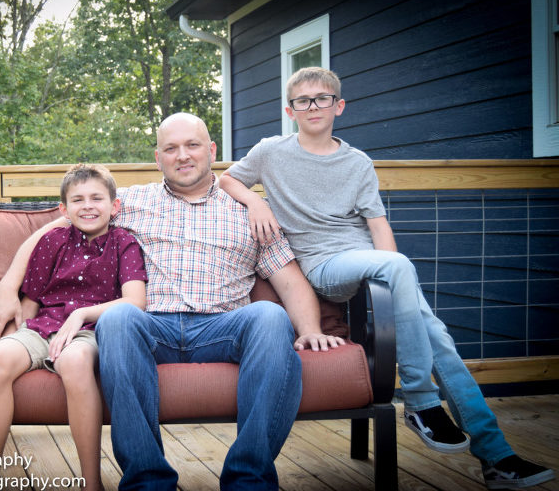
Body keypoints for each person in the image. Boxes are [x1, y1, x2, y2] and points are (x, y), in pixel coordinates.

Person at [219, 66, 555, 490]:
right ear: (290, 110)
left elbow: (378, 226)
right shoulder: (271, 152)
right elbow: (227, 178)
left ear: (339, 106)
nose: (313, 106)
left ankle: (497, 457)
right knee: (399, 269)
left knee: (439, 338)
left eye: (322, 98)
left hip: (370, 264)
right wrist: (256, 202)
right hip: (322, 266)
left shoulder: (357, 162)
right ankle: (419, 399)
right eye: (302, 101)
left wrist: (395, 281)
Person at [0, 113, 344, 490]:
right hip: (150, 324)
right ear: (158, 159)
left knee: (271, 316)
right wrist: (7, 288)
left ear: (211, 151)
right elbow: (54, 228)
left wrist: (310, 329)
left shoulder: (247, 212)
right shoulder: (129, 202)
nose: (183, 155)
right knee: (118, 319)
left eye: (192, 145)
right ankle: (148, 481)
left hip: (222, 326)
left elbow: (289, 279)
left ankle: (248, 479)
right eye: (171, 149)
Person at [0, 164, 148, 491]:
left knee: (74, 361)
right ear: (64, 209)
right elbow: (30, 303)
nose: (87, 206)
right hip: (43, 327)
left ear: (114, 206)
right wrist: (3, 342)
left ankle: (91, 483)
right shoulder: (52, 241)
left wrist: (82, 314)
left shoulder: (125, 244)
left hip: (92, 330)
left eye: (96, 198)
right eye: (78, 200)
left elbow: (135, 301)